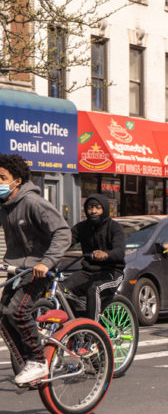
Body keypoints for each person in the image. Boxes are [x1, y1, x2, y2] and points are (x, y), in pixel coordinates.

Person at [0, 153, 71, 385]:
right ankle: (28, 367)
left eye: (2, 178)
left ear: (17, 180)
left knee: (17, 312)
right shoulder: (5, 205)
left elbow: (62, 231)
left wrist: (47, 261)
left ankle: (38, 361)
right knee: (3, 315)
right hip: (17, 268)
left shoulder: (33, 202)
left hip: (39, 268)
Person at [64, 194, 126, 319]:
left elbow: (120, 251)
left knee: (94, 289)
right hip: (87, 272)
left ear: (104, 209)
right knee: (62, 289)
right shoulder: (81, 227)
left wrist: (106, 254)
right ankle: (76, 324)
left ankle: (92, 331)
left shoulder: (114, 227)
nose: (93, 211)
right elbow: (66, 241)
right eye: (90, 208)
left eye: (98, 208)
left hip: (112, 273)